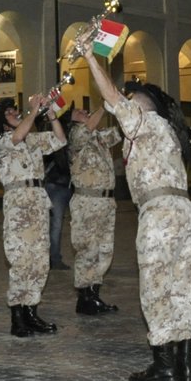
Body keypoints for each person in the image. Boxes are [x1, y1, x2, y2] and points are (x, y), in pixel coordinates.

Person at [83, 50, 191, 381]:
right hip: (186, 214)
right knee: (181, 289)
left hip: (158, 214)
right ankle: (185, 363)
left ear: (142, 104)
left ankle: (163, 363)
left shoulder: (142, 122)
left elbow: (111, 96)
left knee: (155, 289)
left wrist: (89, 56)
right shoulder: (173, 129)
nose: (127, 104)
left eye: (133, 100)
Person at [0, 95, 67, 337]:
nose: (16, 113)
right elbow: (17, 136)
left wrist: (50, 114)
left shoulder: (31, 138)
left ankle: (31, 311)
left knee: (39, 260)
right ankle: (17, 316)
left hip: (38, 200)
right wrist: (33, 110)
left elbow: (60, 139)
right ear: (1, 120)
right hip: (19, 202)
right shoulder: (2, 140)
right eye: (10, 112)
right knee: (21, 260)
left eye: (15, 111)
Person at [66, 104, 122, 313]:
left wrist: (127, 107)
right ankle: (84, 296)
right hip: (87, 202)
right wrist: (105, 105)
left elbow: (120, 131)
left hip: (107, 202)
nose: (84, 111)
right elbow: (87, 127)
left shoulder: (97, 137)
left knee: (105, 249)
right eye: (78, 111)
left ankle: (95, 294)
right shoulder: (75, 136)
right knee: (88, 249)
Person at [44, 115, 73, 270]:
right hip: (56, 185)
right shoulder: (54, 140)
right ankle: (53, 258)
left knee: (57, 224)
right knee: (55, 225)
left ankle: (54, 257)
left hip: (66, 185)